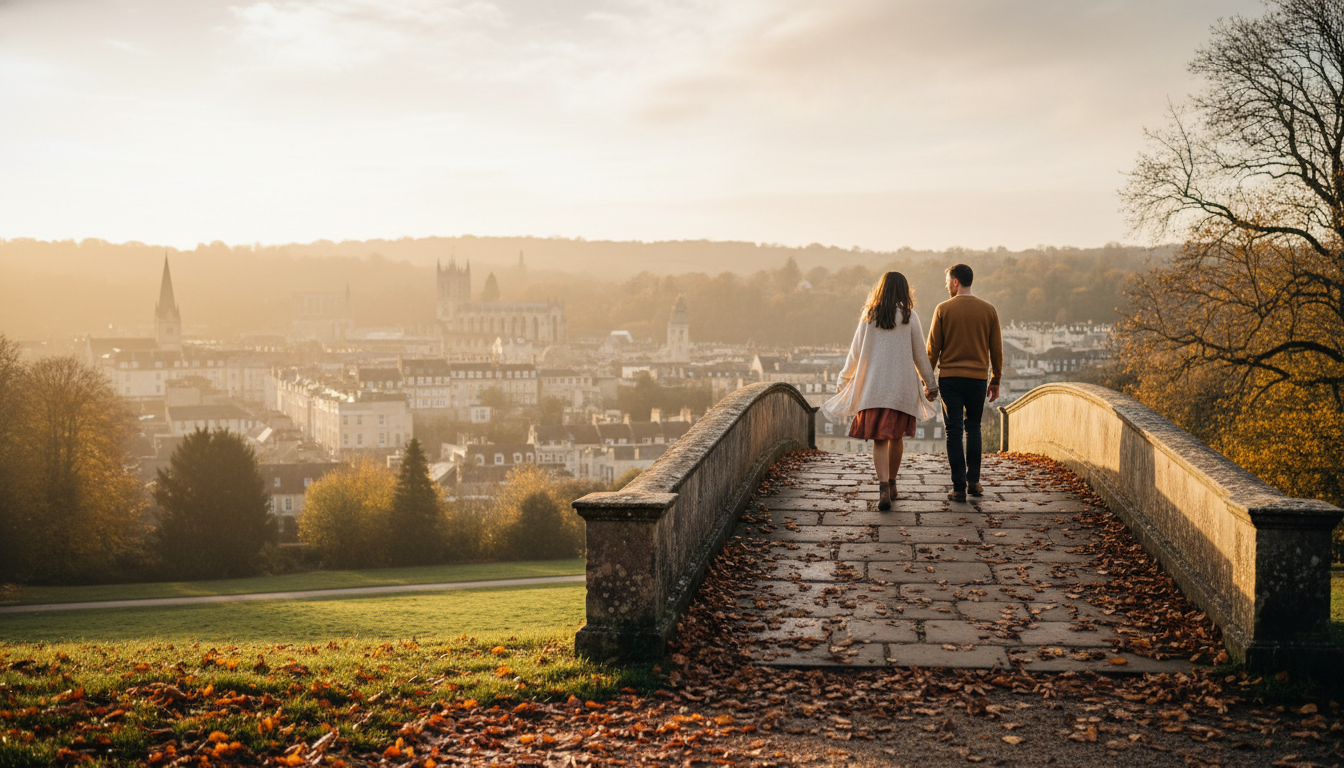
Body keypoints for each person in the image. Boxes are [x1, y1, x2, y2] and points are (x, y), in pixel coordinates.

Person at [822, 271, 938, 511]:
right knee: (896, 437)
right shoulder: (909, 316)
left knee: (879, 440)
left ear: (881, 289)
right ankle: (893, 484)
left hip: (874, 388)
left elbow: (855, 353)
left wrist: (844, 379)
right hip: (901, 388)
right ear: (904, 290)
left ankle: (883, 487)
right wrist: (930, 383)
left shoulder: (869, 315)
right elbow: (920, 354)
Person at [925, 263, 1003, 503]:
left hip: (950, 378)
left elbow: (932, 350)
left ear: (956, 281)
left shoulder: (943, 309)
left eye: (948, 280)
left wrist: (928, 382)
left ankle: (958, 487)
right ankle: (974, 482)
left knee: (954, 431)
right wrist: (995, 379)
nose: (946, 285)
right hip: (978, 378)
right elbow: (996, 349)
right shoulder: (988, 310)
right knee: (974, 427)